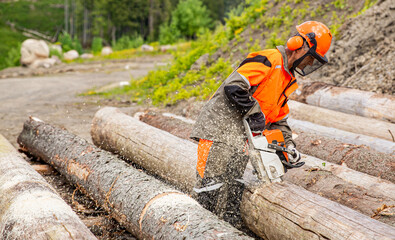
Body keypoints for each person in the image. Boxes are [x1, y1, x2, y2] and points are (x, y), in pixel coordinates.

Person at [190, 21, 333, 226]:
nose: (310, 64)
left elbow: (278, 119)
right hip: (219, 129)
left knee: (234, 187)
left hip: (242, 137)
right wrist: (255, 113)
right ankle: (196, 229)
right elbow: (234, 87)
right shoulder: (268, 59)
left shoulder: (287, 78)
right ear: (297, 44)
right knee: (211, 186)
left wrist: (287, 146)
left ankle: (228, 231)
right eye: (311, 57)